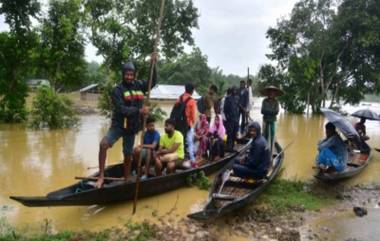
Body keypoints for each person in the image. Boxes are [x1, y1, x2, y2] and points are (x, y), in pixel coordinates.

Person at [96, 53, 157, 188]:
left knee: (128, 154)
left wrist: (153, 64)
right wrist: (140, 111)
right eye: (127, 74)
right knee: (103, 144)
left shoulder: (139, 85)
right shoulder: (117, 90)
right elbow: (122, 109)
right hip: (118, 125)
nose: (129, 77)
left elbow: (152, 82)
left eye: (131, 74)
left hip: (132, 127)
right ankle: (100, 176)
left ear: (134, 75)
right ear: (123, 74)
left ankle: (127, 177)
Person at [176, 83, 197, 167]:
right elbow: (193, 116)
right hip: (187, 124)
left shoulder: (179, 98)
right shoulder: (192, 101)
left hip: (178, 124)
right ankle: (192, 160)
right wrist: (192, 124)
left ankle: (179, 159)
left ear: (185, 89)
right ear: (192, 91)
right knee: (190, 142)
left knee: (180, 141)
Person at [224, 86, 240, 152]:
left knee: (234, 133)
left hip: (236, 119)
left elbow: (237, 108)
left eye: (235, 90)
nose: (234, 91)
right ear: (231, 91)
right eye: (233, 90)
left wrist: (238, 118)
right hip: (230, 120)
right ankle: (229, 147)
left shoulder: (237, 98)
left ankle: (232, 147)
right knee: (229, 134)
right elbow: (225, 109)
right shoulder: (228, 98)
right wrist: (228, 117)